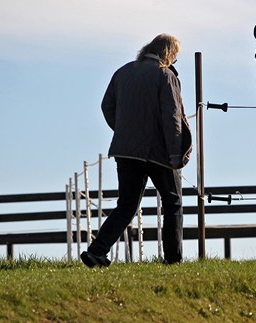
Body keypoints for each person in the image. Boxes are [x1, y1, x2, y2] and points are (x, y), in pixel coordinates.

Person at [81, 34, 192, 267]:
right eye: (175, 57)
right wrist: (175, 154)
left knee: (127, 204)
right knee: (173, 203)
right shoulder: (165, 76)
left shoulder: (122, 72)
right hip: (158, 152)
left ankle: (96, 251)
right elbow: (172, 117)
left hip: (125, 151)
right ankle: (173, 260)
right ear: (168, 53)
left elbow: (106, 106)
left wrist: (123, 131)